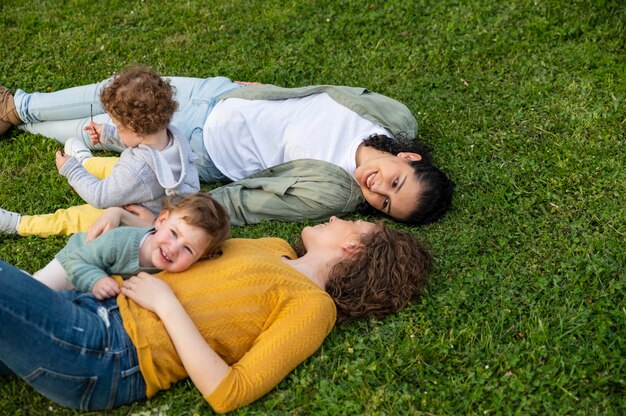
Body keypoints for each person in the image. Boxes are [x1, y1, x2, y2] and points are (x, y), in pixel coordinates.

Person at [0, 209, 432, 413]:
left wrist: (167, 305)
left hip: (107, 352)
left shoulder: (313, 307)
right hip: (92, 301)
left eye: (349, 223)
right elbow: (188, 247)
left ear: (353, 246)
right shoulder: (271, 248)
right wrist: (129, 219)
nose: (337, 217)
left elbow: (229, 391)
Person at [0, 73, 453, 236]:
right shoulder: (395, 120)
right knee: (121, 88)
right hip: (221, 93)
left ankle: (14, 110)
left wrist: (181, 214)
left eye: (386, 206)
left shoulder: (333, 191)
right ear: (409, 158)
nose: (378, 192)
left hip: (197, 144)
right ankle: (17, 107)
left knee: (96, 126)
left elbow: (246, 202)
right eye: (395, 183)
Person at [32, 193, 229, 299]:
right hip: (76, 259)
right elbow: (79, 261)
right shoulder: (118, 242)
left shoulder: (170, 261)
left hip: (104, 271)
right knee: (37, 293)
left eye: (188, 249)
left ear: (201, 258)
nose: (173, 248)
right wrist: (96, 281)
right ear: (160, 221)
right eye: (173, 233)